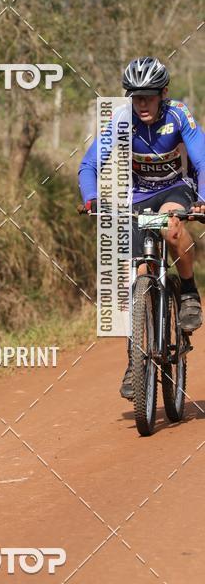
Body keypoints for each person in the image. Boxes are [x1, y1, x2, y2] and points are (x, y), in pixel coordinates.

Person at [78, 57, 205, 400]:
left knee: (171, 227)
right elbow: (89, 164)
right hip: (138, 197)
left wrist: (203, 199)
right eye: (136, 97)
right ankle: (135, 362)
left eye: (149, 96)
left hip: (177, 189)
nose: (142, 104)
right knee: (133, 272)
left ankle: (190, 291)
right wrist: (91, 198)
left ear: (163, 93)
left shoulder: (179, 114)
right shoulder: (121, 119)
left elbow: (203, 160)